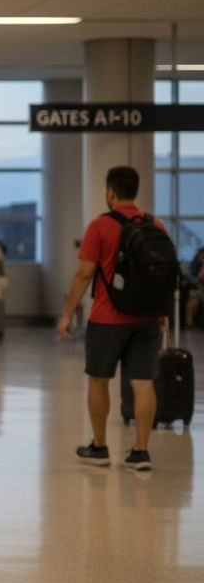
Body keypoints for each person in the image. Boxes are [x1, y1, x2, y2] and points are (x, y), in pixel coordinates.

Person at [58, 166, 169, 471]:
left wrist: (67, 313)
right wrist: (163, 313)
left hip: (108, 318)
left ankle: (100, 447)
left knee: (98, 380)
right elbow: (162, 274)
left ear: (110, 192)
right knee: (143, 383)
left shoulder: (100, 226)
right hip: (146, 318)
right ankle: (140, 452)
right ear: (135, 190)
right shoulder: (156, 224)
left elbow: (84, 273)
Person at [185, 246, 204, 329]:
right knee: (192, 301)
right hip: (197, 287)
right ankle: (189, 323)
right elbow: (191, 275)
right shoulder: (195, 263)